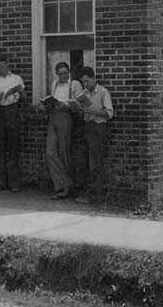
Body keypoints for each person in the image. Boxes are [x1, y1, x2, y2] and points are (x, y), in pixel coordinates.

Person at [44, 62, 84, 200]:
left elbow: (80, 106)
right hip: (53, 116)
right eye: (60, 73)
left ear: (69, 72)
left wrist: (66, 105)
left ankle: (67, 188)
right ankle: (64, 182)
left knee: (64, 151)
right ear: (56, 74)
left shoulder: (75, 84)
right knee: (50, 151)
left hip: (66, 117)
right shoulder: (54, 84)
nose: (63, 76)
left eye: (65, 73)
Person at [74, 67, 113, 204]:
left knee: (95, 161)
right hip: (87, 127)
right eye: (83, 82)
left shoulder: (103, 92)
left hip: (98, 127)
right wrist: (79, 109)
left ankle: (96, 195)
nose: (85, 84)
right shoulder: (83, 93)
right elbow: (83, 110)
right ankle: (90, 192)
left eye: (87, 81)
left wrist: (93, 110)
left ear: (93, 78)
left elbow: (109, 113)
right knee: (86, 161)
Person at [0, 55, 26, 192]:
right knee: (0, 147)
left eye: (3, 66)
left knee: (13, 147)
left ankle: (13, 182)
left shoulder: (16, 78)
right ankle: (1, 181)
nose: (1, 69)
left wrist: (20, 91)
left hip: (12, 111)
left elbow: (24, 98)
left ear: (7, 65)